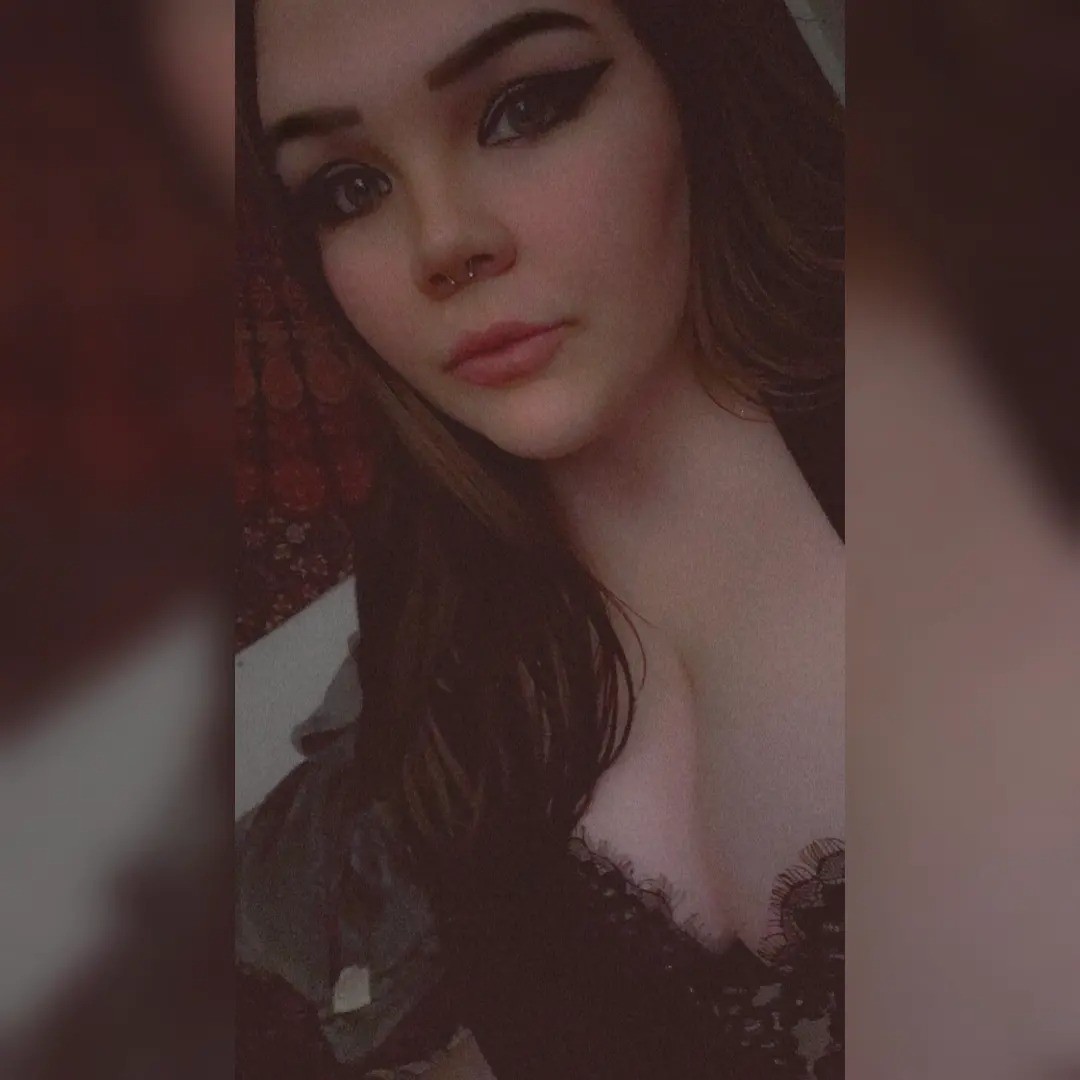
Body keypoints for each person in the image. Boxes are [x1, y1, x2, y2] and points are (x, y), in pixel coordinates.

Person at [234, 1, 844, 1076]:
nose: (443, 242)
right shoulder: (423, 602)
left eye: (522, 108)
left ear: (692, 76)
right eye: (351, 187)